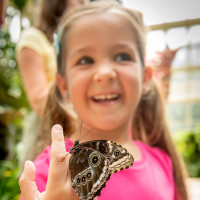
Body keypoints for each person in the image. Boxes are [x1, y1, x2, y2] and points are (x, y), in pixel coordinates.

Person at [19, 1, 189, 200]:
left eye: (122, 56)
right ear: (63, 85)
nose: (105, 73)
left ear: (145, 78)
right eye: (85, 60)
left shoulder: (163, 163)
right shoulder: (48, 174)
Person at [16, 0, 86, 167]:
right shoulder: (34, 39)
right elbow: (39, 100)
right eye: (80, 1)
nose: (85, 4)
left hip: (82, 134)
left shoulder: (82, 42)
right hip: (47, 134)